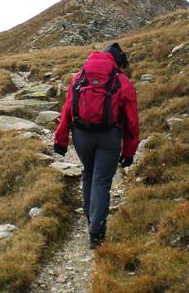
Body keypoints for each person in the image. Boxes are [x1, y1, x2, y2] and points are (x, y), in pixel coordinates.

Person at [54, 42, 139, 249]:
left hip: (82, 136)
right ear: (116, 61)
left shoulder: (78, 77)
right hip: (109, 137)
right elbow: (132, 121)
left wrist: (61, 140)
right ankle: (96, 232)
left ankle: (89, 215)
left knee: (89, 172)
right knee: (102, 180)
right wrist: (129, 151)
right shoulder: (122, 81)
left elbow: (67, 111)